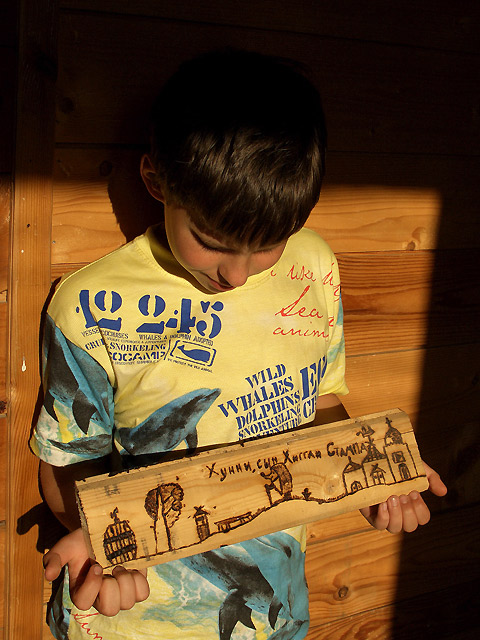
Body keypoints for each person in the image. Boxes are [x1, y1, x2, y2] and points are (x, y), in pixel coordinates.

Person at [32, 49, 447, 640]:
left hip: (276, 617)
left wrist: (370, 472)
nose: (237, 274)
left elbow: (318, 404)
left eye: (268, 244)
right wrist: (105, 544)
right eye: (212, 241)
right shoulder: (90, 307)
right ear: (156, 181)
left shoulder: (312, 267)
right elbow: (68, 461)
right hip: (135, 619)